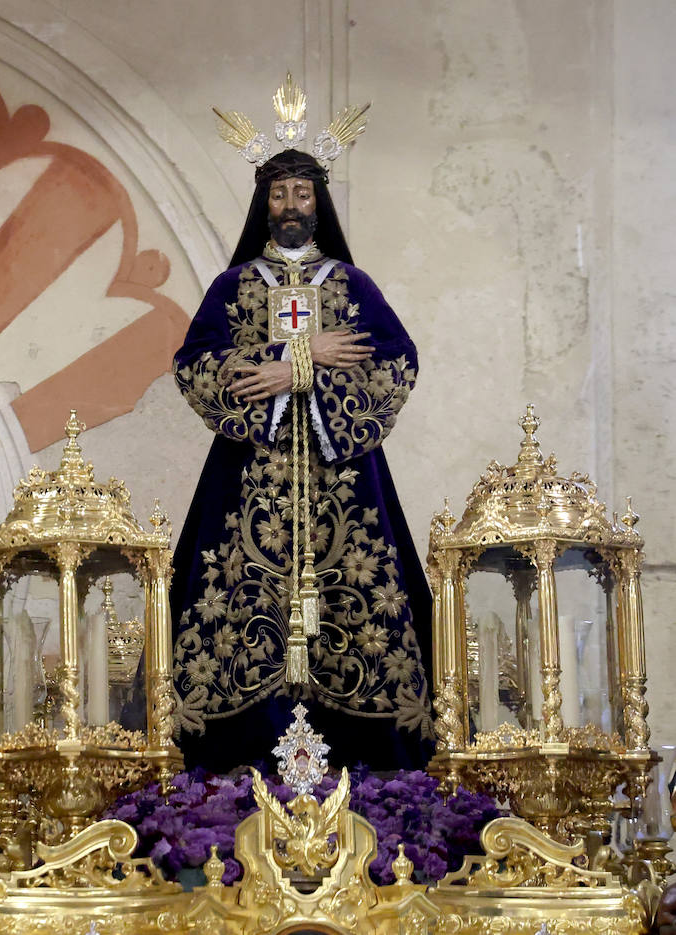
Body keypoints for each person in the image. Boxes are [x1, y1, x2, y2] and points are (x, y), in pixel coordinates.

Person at [170, 118, 434, 772]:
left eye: (302, 193)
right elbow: (194, 365)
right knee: (228, 599)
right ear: (265, 203)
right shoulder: (233, 289)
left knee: (366, 594)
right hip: (249, 474)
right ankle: (231, 755)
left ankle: (372, 760)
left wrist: (296, 369)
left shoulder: (351, 285)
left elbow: (396, 361)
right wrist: (294, 356)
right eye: (280, 194)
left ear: (319, 201)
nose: (291, 206)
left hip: (341, 479)